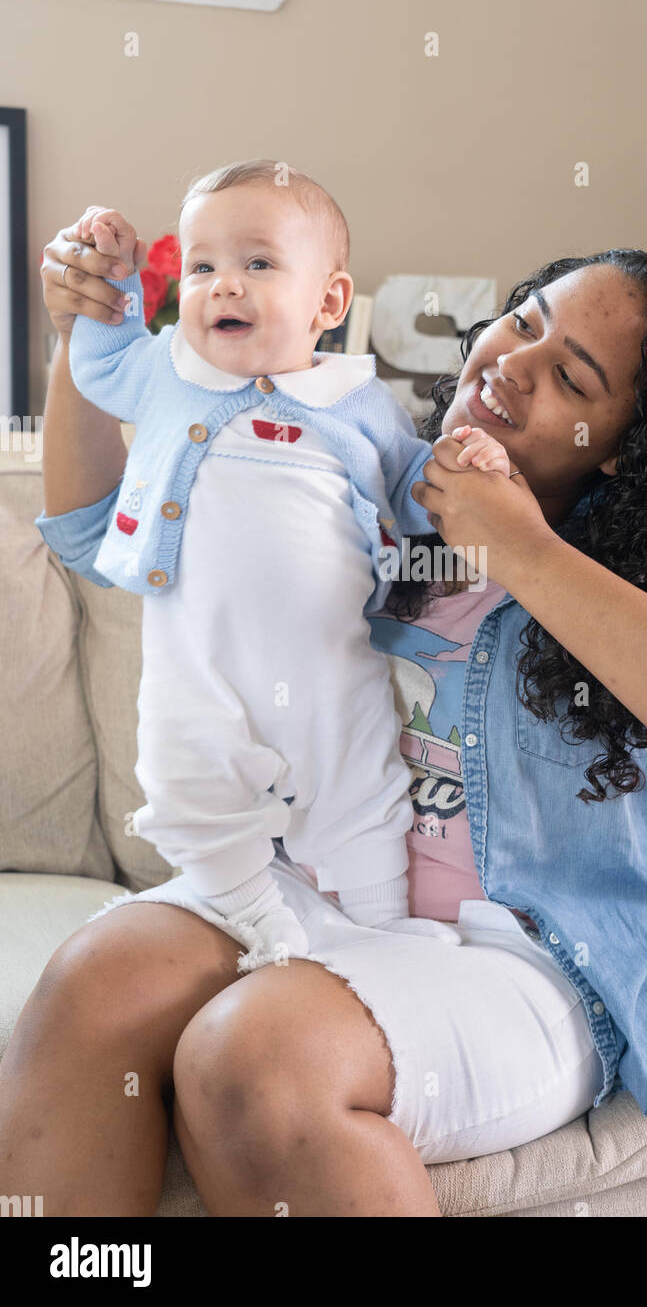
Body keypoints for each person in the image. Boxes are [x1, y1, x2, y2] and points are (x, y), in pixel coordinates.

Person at [0, 229, 647, 1217]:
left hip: (519, 955)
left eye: (568, 375)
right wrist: (87, 341)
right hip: (312, 887)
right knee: (91, 986)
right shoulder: (374, 477)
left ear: (620, 453)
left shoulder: (644, 569)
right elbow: (98, 529)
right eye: (523, 322)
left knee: (250, 1056)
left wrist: (515, 546)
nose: (510, 364)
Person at [57, 162, 513, 969]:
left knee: (363, 796)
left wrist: (466, 459)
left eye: (258, 264)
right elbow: (101, 363)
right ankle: (256, 917)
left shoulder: (353, 398)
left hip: (330, 662)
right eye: (202, 267)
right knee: (184, 789)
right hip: (195, 663)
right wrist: (110, 284)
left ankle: (379, 933)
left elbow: (412, 489)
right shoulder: (167, 371)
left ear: (328, 303)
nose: (223, 286)